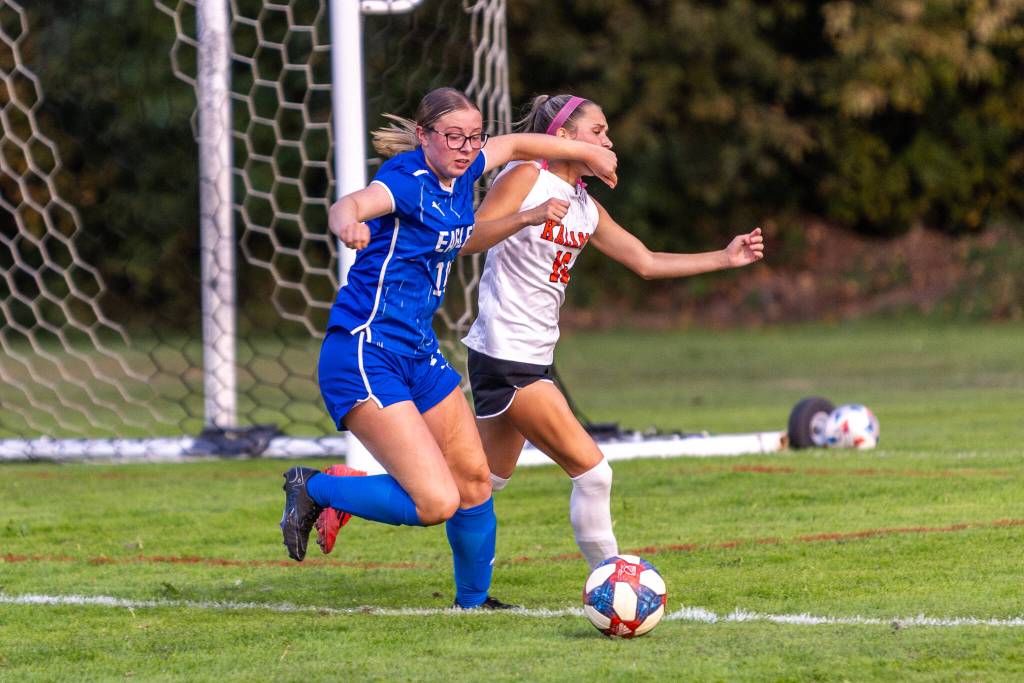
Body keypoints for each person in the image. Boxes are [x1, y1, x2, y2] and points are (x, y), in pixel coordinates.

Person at [279, 87, 618, 610]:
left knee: (476, 482)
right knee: (437, 501)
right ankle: (314, 488)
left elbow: (513, 144)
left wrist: (583, 156)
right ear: (424, 136)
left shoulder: (466, 171)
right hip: (366, 352)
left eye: (472, 137)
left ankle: (473, 604)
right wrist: (345, 221)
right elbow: (357, 202)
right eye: (452, 137)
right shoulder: (406, 182)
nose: (466, 148)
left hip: (419, 351)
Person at [458, 94, 765, 569]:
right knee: (594, 472)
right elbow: (467, 238)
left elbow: (644, 262)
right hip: (505, 353)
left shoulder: (584, 206)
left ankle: (331, 489)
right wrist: (527, 217)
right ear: (563, 138)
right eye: (598, 132)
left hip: (531, 356)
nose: (608, 141)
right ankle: (616, 580)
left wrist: (725, 258)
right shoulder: (525, 177)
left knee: (472, 485)